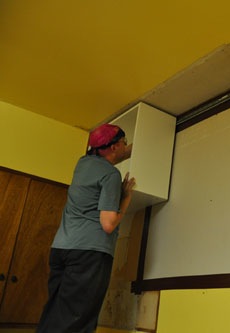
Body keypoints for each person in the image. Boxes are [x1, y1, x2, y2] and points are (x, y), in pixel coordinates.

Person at [37, 123, 136, 333]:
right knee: (77, 319)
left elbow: (116, 152)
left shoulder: (83, 163)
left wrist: (143, 144)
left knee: (57, 312)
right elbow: (108, 224)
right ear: (115, 146)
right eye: (123, 143)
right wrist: (126, 198)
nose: (125, 146)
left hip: (62, 249)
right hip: (90, 252)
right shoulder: (110, 175)